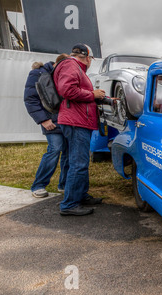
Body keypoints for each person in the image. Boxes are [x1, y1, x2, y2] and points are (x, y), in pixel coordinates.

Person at [53, 43, 106, 216]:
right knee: (79, 164)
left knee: (78, 162)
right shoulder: (71, 65)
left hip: (76, 120)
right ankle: (69, 204)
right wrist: (93, 95)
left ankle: (80, 195)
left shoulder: (74, 67)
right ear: (87, 57)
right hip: (76, 122)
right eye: (91, 58)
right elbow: (67, 90)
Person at [24, 54, 70, 198]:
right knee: (54, 150)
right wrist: (43, 120)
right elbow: (30, 99)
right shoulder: (37, 73)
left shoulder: (62, 74)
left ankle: (64, 184)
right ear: (57, 64)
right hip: (50, 121)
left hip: (66, 120)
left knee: (68, 153)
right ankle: (38, 185)